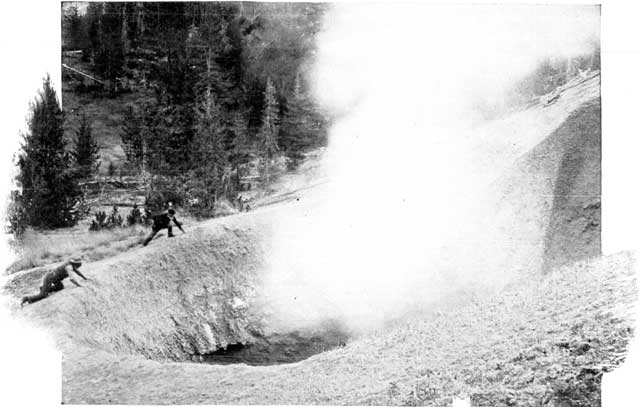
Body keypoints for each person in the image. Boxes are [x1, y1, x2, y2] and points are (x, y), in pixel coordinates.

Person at [21, 258, 88, 306]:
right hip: (50, 277)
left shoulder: (72, 265)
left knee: (60, 287)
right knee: (43, 295)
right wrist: (79, 285)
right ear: (75, 264)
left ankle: (45, 288)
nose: (78, 267)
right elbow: (72, 279)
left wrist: (85, 278)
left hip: (55, 279)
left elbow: (77, 272)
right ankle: (27, 298)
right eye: (78, 265)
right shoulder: (69, 267)